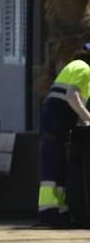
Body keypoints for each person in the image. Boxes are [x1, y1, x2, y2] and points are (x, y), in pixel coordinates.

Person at [38, 45, 90, 226]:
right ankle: (53, 212)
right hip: (57, 120)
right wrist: (88, 118)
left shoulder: (74, 66)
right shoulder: (85, 70)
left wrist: (82, 120)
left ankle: (53, 210)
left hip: (52, 117)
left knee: (53, 164)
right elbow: (72, 96)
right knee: (56, 165)